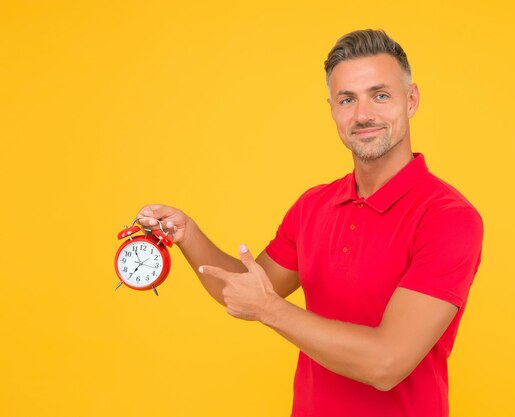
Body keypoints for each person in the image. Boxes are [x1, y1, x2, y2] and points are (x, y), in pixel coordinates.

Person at [136, 29, 483, 417]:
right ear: (332, 109)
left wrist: (269, 310)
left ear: (411, 100)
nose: (363, 114)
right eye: (347, 99)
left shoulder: (448, 217)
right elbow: (248, 288)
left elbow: (386, 364)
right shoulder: (313, 206)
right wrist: (188, 233)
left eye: (380, 95)